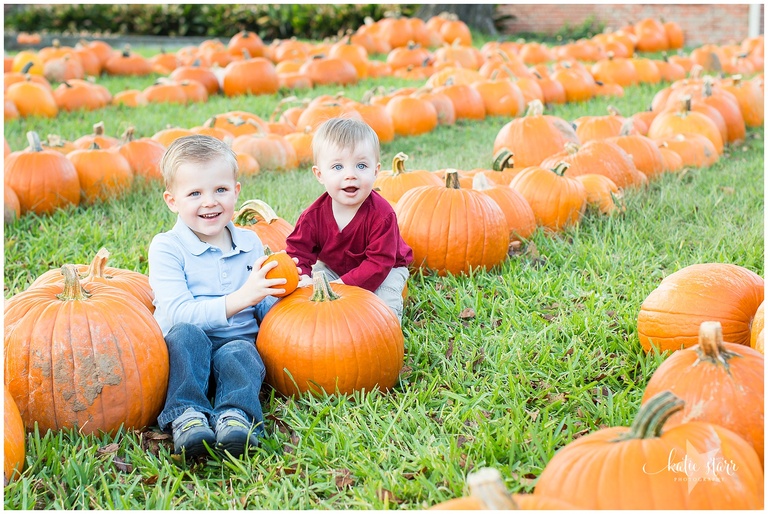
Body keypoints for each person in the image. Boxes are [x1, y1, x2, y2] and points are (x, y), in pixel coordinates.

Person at [148, 134, 291, 458]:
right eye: (195, 193)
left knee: (241, 352)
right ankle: (186, 417)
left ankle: (236, 417)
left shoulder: (251, 242)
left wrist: (288, 295)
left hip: (237, 341)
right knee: (186, 337)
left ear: (236, 191)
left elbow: (263, 303)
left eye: (220, 190)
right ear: (172, 200)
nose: (210, 202)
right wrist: (243, 297)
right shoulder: (167, 247)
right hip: (186, 346)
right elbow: (178, 314)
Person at [285, 117, 413, 321]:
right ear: (320, 174)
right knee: (312, 293)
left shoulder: (382, 215)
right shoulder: (313, 217)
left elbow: (379, 263)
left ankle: (382, 331)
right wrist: (302, 278)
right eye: (337, 167)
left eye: (361, 166)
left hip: (386, 270)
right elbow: (297, 251)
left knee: (383, 306)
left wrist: (343, 287)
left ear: (376, 171)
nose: (350, 175)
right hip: (335, 268)